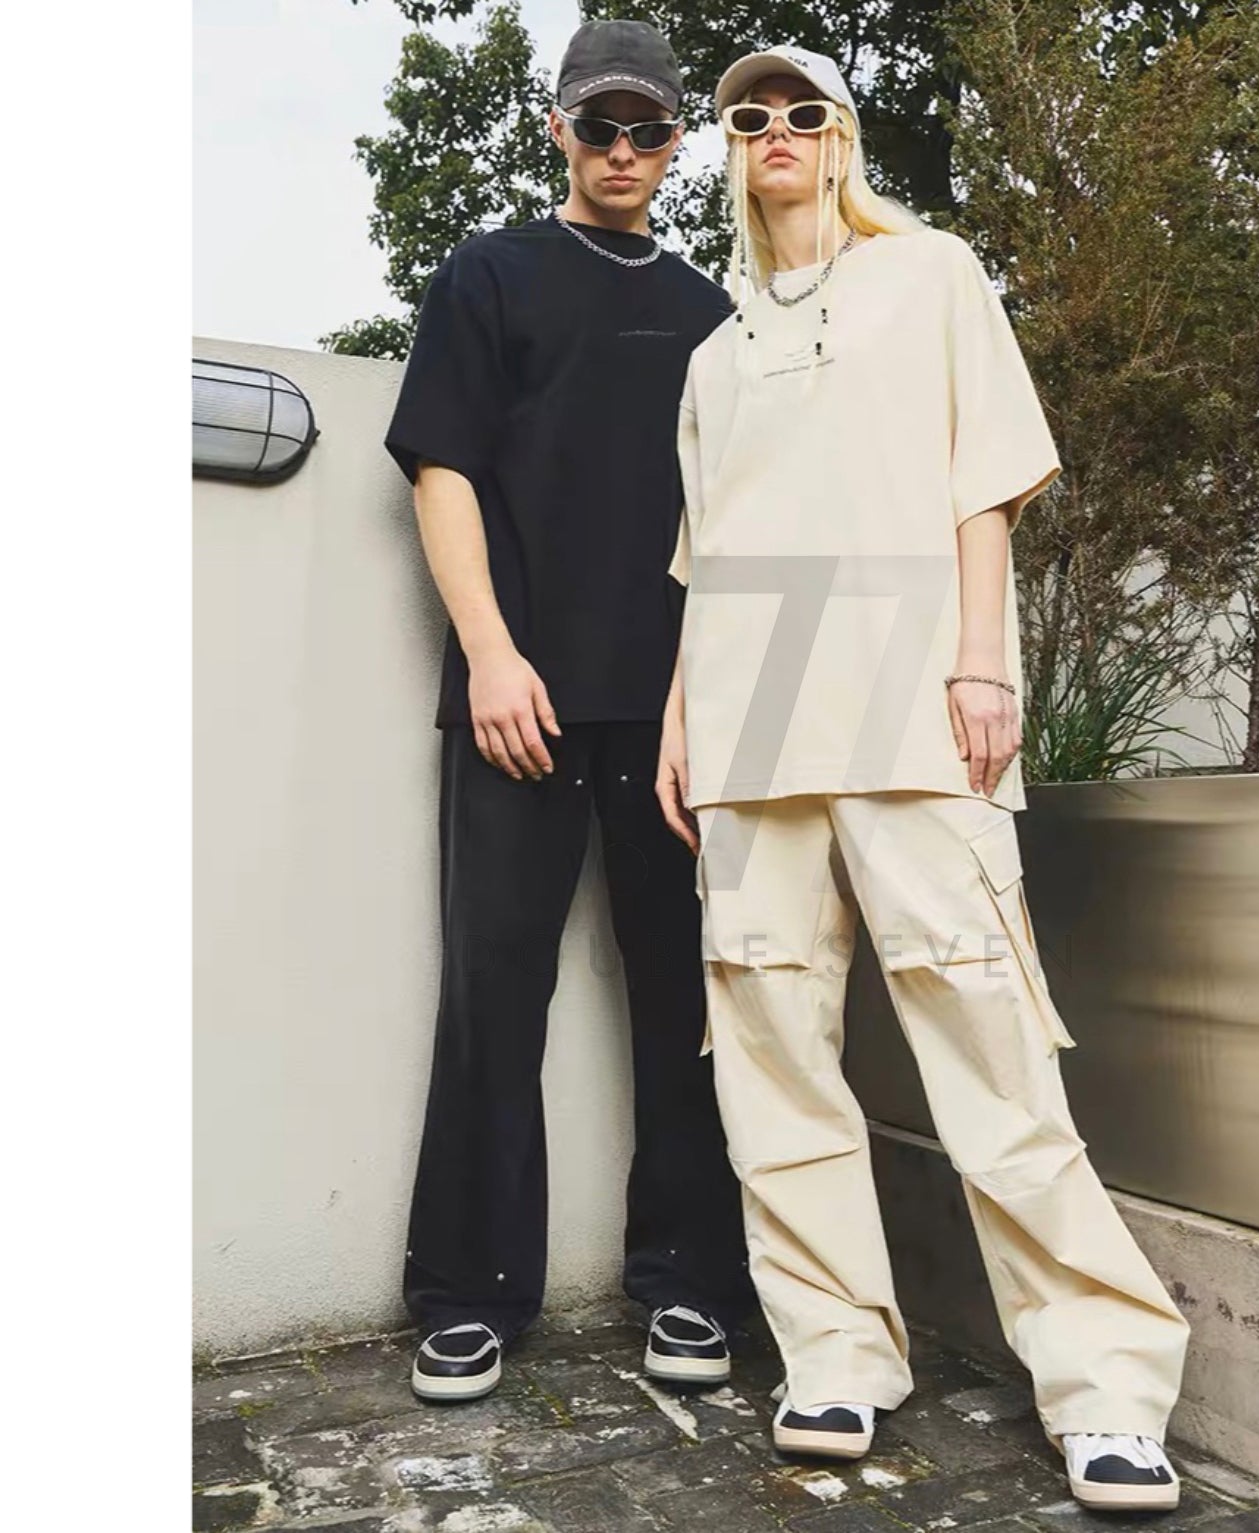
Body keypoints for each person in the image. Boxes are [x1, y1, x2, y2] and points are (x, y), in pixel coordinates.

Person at [656, 45, 1191, 1513]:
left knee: (989, 1042)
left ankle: (1104, 1378)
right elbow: (707, 559)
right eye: (748, 116)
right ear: (730, 146)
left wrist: (982, 663)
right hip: (748, 718)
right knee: (769, 1057)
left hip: (910, 700)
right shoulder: (713, 356)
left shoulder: (932, 275)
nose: (775, 130)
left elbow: (982, 484)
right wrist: (680, 721)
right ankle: (833, 1350)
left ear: (841, 136)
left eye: (801, 111)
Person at [382, 18, 753, 1406]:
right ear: (559, 130)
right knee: (493, 994)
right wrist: (489, 653)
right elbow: (442, 471)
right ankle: (467, 1294)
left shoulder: (715, 315)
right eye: (599, 126)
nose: (621, 151)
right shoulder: (487, 274)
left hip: (673, 719)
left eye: (646, 130)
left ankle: (690, 1283)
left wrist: (698, 702)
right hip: (517, 702)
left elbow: (734, 527)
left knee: (687, 998)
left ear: (676, 145)